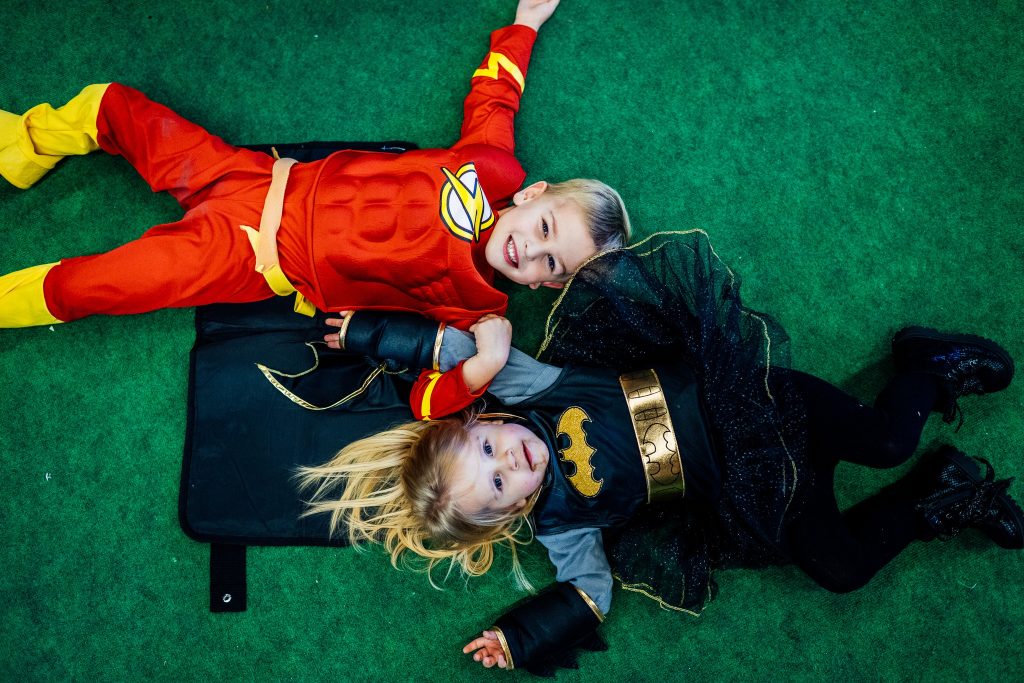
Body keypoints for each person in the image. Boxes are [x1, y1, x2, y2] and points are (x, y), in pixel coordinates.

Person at [297, 230, 1023, 675]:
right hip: (761, 489)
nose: (509, 461)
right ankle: (941, 491)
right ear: (509, 511)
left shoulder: (531, 390)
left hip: (757, 402)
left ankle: (927, 363)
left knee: (888, 439)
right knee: (841, 569)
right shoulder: (562, 524)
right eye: (496, 483)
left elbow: (461, 349)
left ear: (485, 416)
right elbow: (591, 592)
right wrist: (522, 636)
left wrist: (367, 333)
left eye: (488, 445)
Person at [0, 0, 629, 331]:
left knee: (88, 287)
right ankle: (16, 153)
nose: (532, 250)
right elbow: (494, 97)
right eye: (546, 228)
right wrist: (524, 24)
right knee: (111, 104)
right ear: (533, 194)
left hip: (246, 256)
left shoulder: (477, 309)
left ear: (546, 287)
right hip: (251, 176)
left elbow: (430, 392)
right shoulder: (489, 166)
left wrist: (480, 363)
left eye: (552, 265)